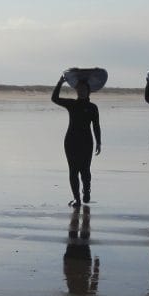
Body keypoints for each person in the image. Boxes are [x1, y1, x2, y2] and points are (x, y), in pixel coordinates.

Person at [52, 74, 101, 206]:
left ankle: (86, 191)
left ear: (88, 91)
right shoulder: (72, 104)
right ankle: (77, 199)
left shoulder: (93, 107)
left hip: (86, 142)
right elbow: (54, 98)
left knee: (85, 170)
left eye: (84, 89)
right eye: (79, 89)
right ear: (76, 91)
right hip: (71, 141)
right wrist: (60, 83)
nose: (81, 91)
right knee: (73, 171)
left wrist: (99, 142)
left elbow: (96, 126)